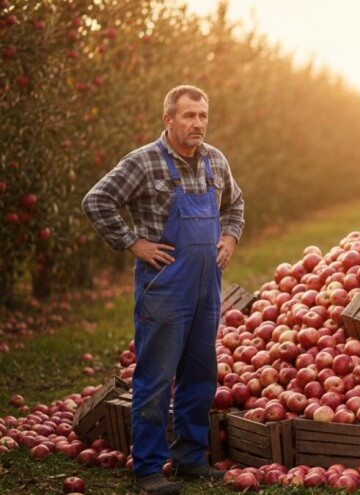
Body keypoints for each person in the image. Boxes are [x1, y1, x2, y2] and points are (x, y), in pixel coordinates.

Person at [82, 85, 244, 495]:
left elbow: (235, 205)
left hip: (207, 287)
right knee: (155, 378)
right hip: (166, 286)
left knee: (201, 375)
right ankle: (149, 469)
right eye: (189, 116)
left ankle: (190, 460)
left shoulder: (215, 160)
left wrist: (229, 237)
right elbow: (97, 200)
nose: (198, 124)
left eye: (203, 115)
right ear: (168, 119)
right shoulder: (145, 162)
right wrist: (133, 242)